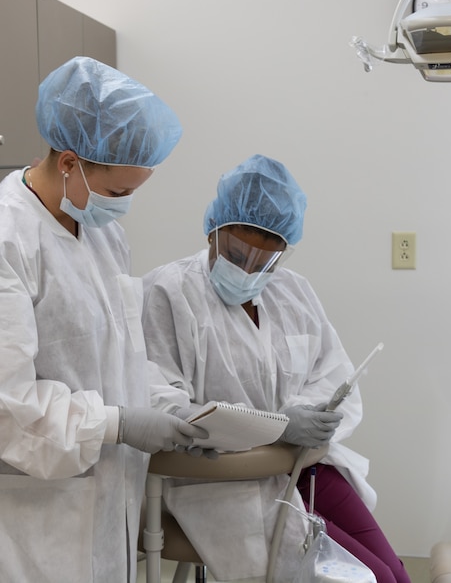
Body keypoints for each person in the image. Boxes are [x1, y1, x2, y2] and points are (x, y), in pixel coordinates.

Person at [0, 56, 213, 583]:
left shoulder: (101, 233)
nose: (124, 207)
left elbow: (118, 352)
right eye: (118, 193)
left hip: (96, 502)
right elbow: (3, 404)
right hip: (15, 521)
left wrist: (169, 406)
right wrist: (120, 423)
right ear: (70, 161)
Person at [142, 154, 411, 583]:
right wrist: (277, 425)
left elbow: (333, 374)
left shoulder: (293, 292)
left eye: (264, 261)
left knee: (395, 575)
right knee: (366, 580)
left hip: (306, 468)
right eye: (235, 253)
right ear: (213, 228)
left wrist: (304, 418)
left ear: (284, 251)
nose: (248, 269)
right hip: (222, 483)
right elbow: (161, 403)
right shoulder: (167, 293)